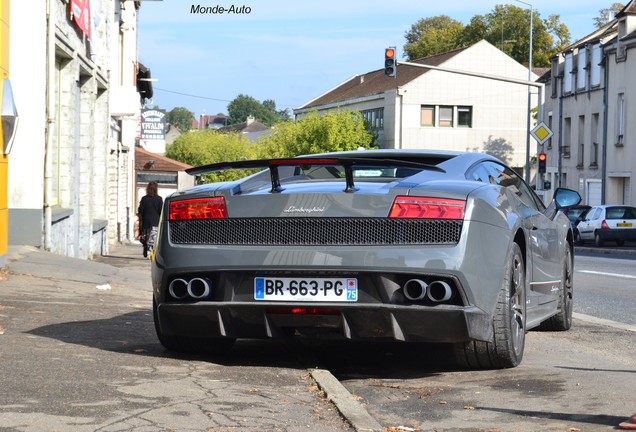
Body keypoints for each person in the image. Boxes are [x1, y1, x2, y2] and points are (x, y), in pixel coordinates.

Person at [138, 182, 163, 258]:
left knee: (146, 237)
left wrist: (140, 221)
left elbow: (140, 211)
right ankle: (151, 251)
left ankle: (146, 246)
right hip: (155, 222)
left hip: (146, 222)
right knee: (154, 239)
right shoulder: (159, 199)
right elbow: (161, 211)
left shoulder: (144, 199)